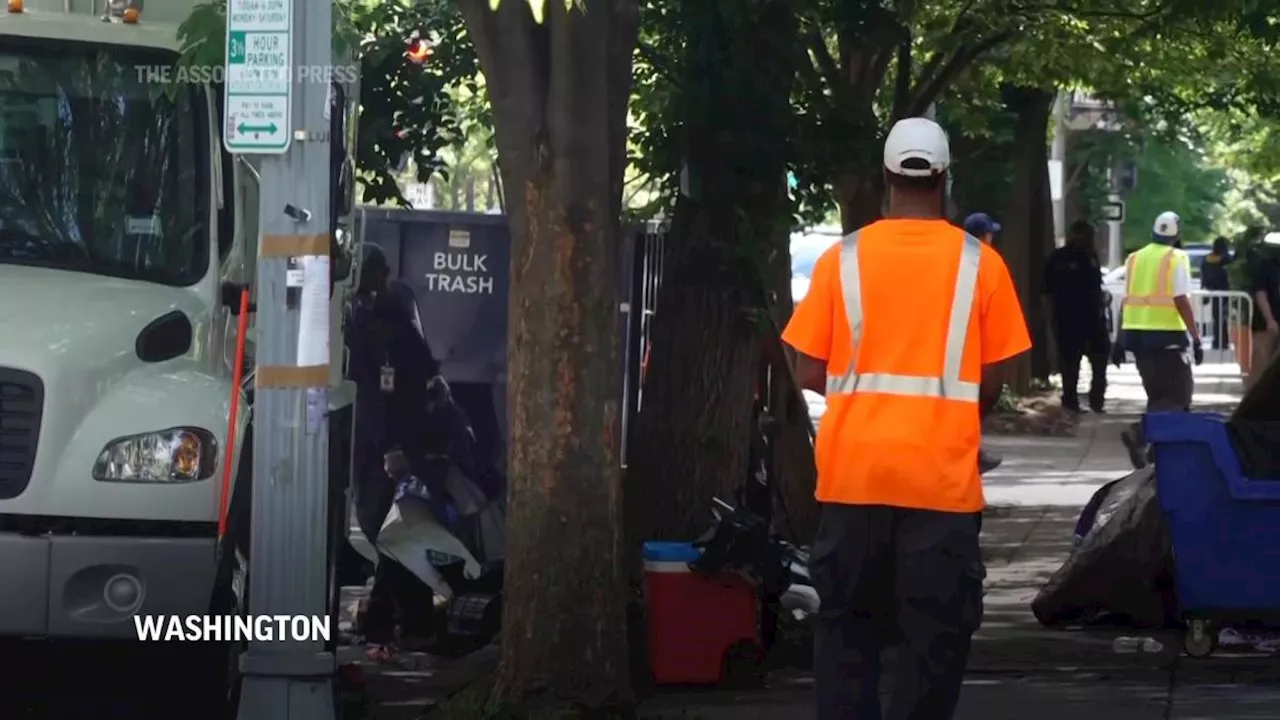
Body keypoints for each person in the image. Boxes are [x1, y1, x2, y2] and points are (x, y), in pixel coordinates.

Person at [783, 117, 1031, 720]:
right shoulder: (982, 265)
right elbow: (994, 380)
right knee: (935, 641)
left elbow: (807, 370)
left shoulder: (841, 261)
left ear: (886, 176)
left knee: (847, 639)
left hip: (853, 482)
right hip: (941, 490)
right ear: (944, 177)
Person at [345, 244, 441, 661]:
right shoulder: (395, 319)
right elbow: (426, 374)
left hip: (377, 447)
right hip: (398, 444)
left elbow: (368, 394)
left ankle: (395, 621)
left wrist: (387, 445)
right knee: (397, 531)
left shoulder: (361, 324)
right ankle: (408, 619)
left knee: (387, 531)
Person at [1110, 211, 1202, 469]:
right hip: (1167, 337)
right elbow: (1181, 299)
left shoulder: (1134, 259)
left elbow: (1127, 301)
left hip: (1137, 338)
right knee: (1180, 396)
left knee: (1158, 395)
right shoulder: (1176, 258)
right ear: (1177, 235)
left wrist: (1119, 340)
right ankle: (1140, 435)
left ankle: (1155, 455)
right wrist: (1195, 337)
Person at [1043, 220, 1110, 413]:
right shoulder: (1061, 258)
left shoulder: (1088, 256)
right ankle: (1082, 400)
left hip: (1081, 319)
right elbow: (1046, 292)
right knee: (1077, 364)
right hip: (1075, 319)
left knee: (1082, 364)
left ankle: (1088, 400)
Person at [963, 212, 1009, 472]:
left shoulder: (954, 259)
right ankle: (971, 453)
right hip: (975, 348)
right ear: (985, 236)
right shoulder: (988, 262)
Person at [1248, 232, 1280, 389]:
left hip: (1269, 321)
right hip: (1265, 324)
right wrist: (1270, 320)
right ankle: (1254, 402)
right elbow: (1261, 293)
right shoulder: (1266, 268)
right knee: (1261, 364)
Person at [1201, 236, 1232, 351]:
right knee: (1223, 317)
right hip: (1225, 291)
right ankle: (1223, 341)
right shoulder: (1227, 259)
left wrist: (1203, 289)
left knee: (1216, 316)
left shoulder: (1206, 259)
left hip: (1212, 291)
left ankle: (1217, 340)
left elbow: (1203, 276)